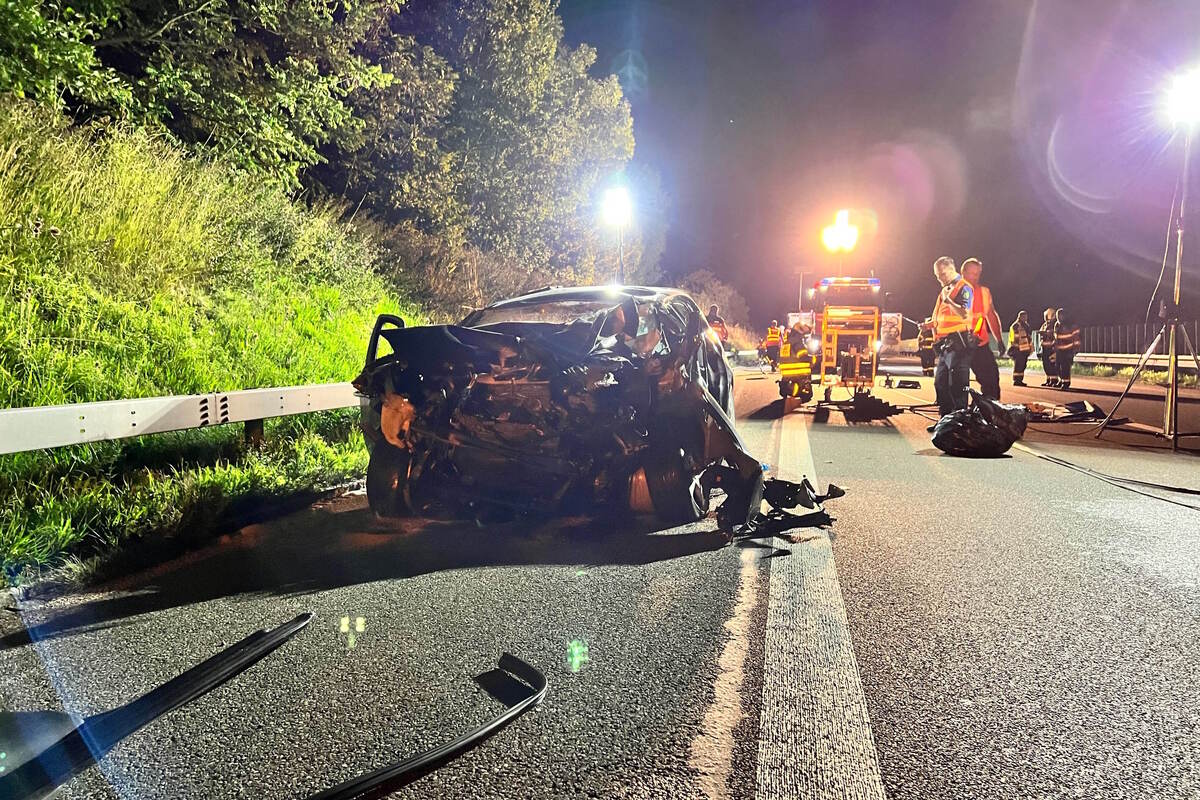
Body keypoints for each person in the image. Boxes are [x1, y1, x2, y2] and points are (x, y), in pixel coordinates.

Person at [924, 256, 975, 429]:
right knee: (940, 383)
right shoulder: (945, 290)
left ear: (951, 269)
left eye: (942, 274)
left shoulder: (964, 288)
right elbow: (941, 318)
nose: (940, 278)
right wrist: (929, 325)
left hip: (959, 345)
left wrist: (949, 301)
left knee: (958, 385)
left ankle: (960, 422)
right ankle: (945, 420)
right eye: (937, 276)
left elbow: (964, 314)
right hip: (945, 347)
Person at [960, 258, 1004, 400]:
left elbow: (991, 315)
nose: (975, 277)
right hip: (958, 346)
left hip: (979, 344)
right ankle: (953, 415)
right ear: (963, 272)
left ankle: (990, 410)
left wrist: (999, 339)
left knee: (991, 378)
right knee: (958, 385)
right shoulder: (953, 292)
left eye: (978, 273)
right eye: (972, 273)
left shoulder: (984, 292)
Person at [1053, 308, 1081, 390]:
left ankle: (1066, 383)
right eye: (1057, 315)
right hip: (1059, 350)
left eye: (1060, 315)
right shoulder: (1057, 325)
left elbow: (1076, 337)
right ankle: (1061, 380)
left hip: (1068, 349)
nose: (1059, 317)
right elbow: (1056, 338)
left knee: (1065, 367)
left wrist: (1075, 349)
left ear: (1064, 316)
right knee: (1057, 366)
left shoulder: (1071, 325)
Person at [1007, 310, 1033, 386]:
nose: (1026, 318)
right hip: (1017, 349)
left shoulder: (1026, 325)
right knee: (1018, 365)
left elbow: (1028, 337)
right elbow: (1013, 338)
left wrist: (1030, 348)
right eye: (1024, 316)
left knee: (1023, 365)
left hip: (1024, 349)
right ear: (1020, 317)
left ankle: (1020, 380)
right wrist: (1014, 347)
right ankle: (1016, 380)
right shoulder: (1015, 326)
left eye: (1026, 316)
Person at [1038, 307, 1058, 387]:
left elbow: (1055, 335)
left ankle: (1054, 380)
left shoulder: (1054, 324)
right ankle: (1049, 379)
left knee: (1052, 365)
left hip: (1051, 348)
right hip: (1044, 348)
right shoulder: (1045, 324)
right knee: (1046, 365)